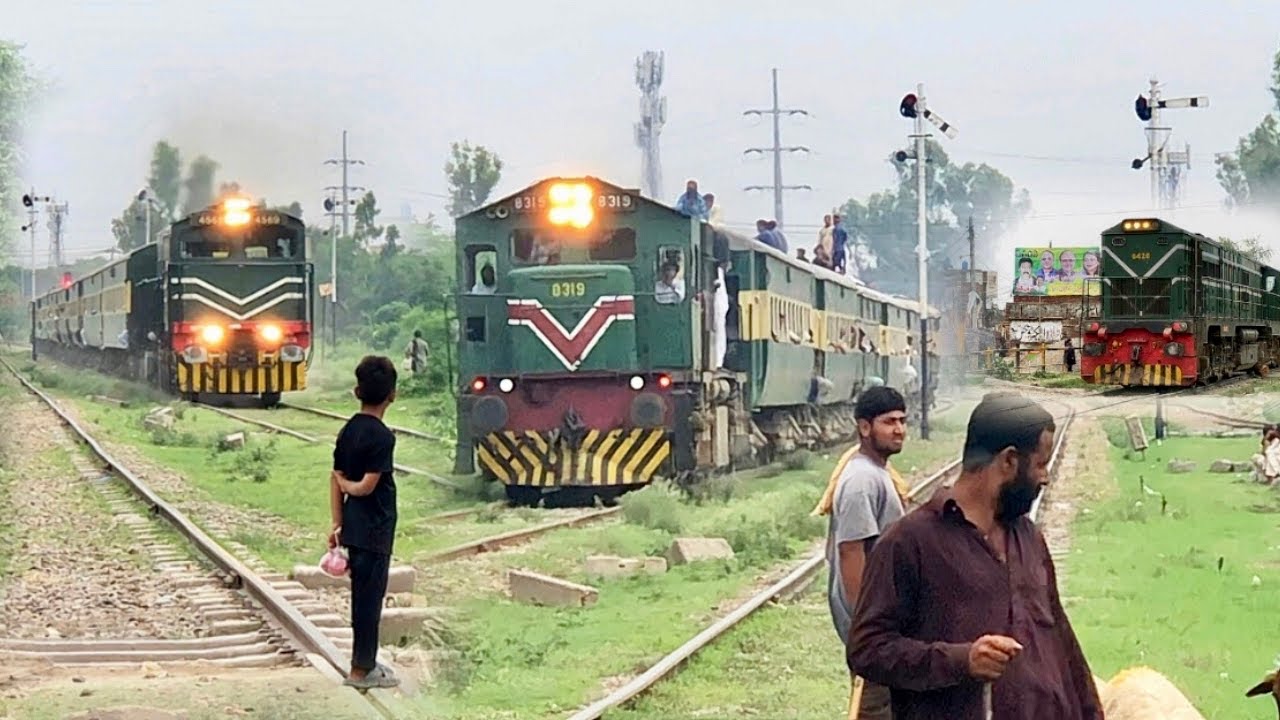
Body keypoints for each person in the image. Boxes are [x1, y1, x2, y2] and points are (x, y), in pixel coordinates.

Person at [848, 393, 1103, 720]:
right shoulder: (908, 543)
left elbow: (1062, 641)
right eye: (1040, 464)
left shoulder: (1028, 537)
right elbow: (867, 650)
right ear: (1009, 461)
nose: (1045, 477)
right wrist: (961, 660)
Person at [826, 386, 909, 720]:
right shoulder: (861, 480)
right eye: (889, 422)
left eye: (903, 421)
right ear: (864, 427)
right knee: (875, 710)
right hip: (876, 637)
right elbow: (851, 553)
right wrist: (869, 628)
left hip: (884, 631)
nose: (899, 429)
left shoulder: (877, 473)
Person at [328, 356, 401, 690]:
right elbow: (367, 486)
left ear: (357, 391)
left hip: (354, 527)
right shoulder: (382, 437)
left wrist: (337, 524)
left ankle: (365, 661)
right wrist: (349, 488)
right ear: (393, 395)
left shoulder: (349, 430)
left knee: (362, 597)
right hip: (376, 527)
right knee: (370, 600)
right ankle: (361, 670)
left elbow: (335, 477)